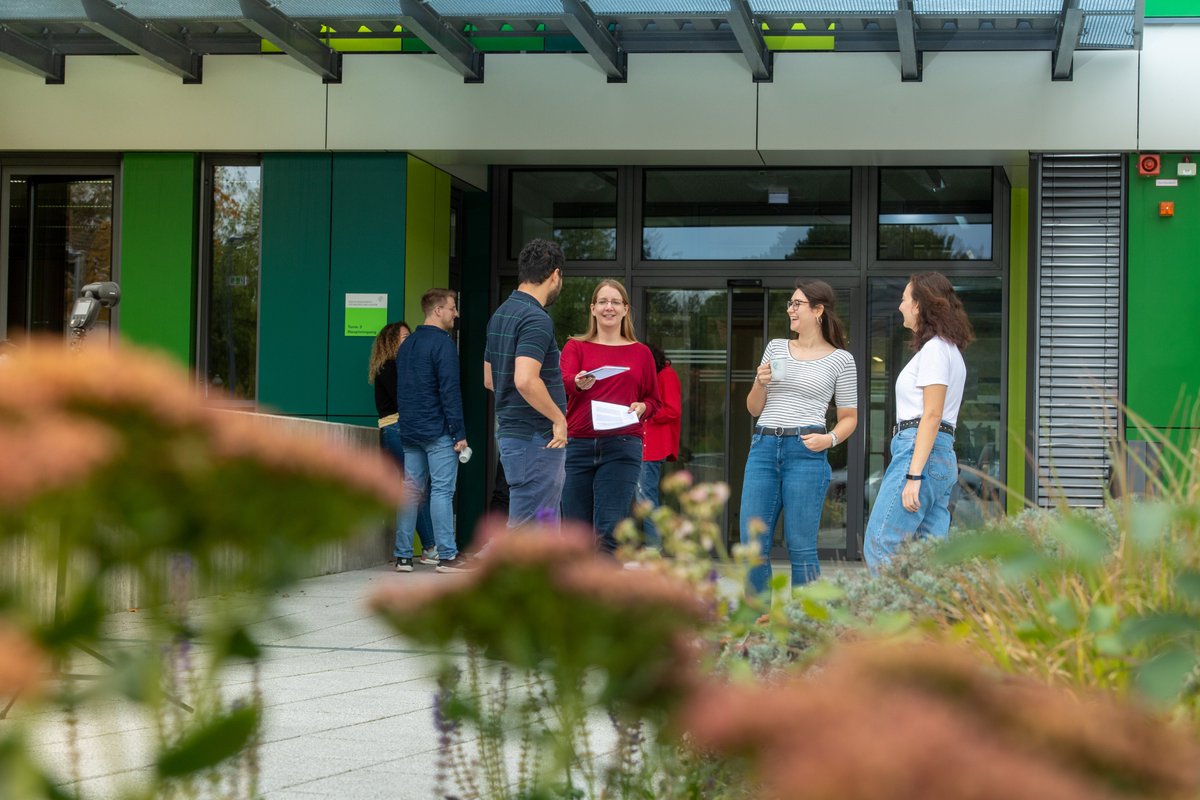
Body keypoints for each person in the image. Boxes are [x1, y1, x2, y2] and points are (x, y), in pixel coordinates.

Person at [740, 280, 858, 594]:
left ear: (818, 310)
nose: (790, 310)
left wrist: (828, 440)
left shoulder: (841, 360)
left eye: (797, 304)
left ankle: (803, 631)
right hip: (764, 446)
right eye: (790, 304)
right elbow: (753, 408)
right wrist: (760, 382)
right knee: (753, 544)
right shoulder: (776, 347)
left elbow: (849, 418)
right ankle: (755, 626)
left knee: (801, 546)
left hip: (806, 451)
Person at [864, 272, 972, 573]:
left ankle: (891, 619)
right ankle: (930, 619)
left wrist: (913, 475)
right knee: (931, 559)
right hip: (940, 454)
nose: (899, 306)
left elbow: (932, 414)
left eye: (904, 299)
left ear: (919, 306)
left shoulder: (936, 349)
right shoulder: (950, 350)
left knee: (880, 543)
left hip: (920, 452)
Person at [560, 280, 661, 553]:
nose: (609, 307)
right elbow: (564, 381)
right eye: (603, 302)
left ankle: (603, 595)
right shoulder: (575, 347)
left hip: (623, 446)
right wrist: (577, 383)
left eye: (616, 302)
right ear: (592, 309)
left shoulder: (641, 353)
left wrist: (642, 407)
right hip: (579, 445)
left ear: (626, 309)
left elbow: (654, 399)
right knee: (574, 534)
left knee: (609, 533)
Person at [483, 239, 568, 528]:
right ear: (555, 274)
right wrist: (558, 419)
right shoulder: (535, 318)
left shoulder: (500, 315)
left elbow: (489, 379)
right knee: (534, 532)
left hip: (513, 435)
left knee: (533, 527)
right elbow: (525, 379)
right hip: (536, 438)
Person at [395, 289, 471, 573]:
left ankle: (403, 556)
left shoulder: (407, 344)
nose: (456, 313)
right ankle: (447, 556)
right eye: (452, 308)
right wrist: (458, 432)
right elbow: (449, 391)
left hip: (410, 430)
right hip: (438, 430)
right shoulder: (444, 344)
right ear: (438, 310)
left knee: (409, 491)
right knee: (441, 491)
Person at [368, 321, 438, 568]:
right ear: (391, 341)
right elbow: (405, 399)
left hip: (400, 429)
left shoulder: (393, 366)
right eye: (405, 337)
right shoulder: (390, 367)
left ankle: (426, 547)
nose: (409, 340)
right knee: (414, 489)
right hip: (397, 428)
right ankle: (428, 547)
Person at [636, 343, 681, 550]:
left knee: (646, 497)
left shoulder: (666, 374)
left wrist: (645, 412)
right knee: (641, 497)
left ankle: (654, 546)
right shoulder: (650, 376)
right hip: (638, 444)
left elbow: (672, 410)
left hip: (652, 446)